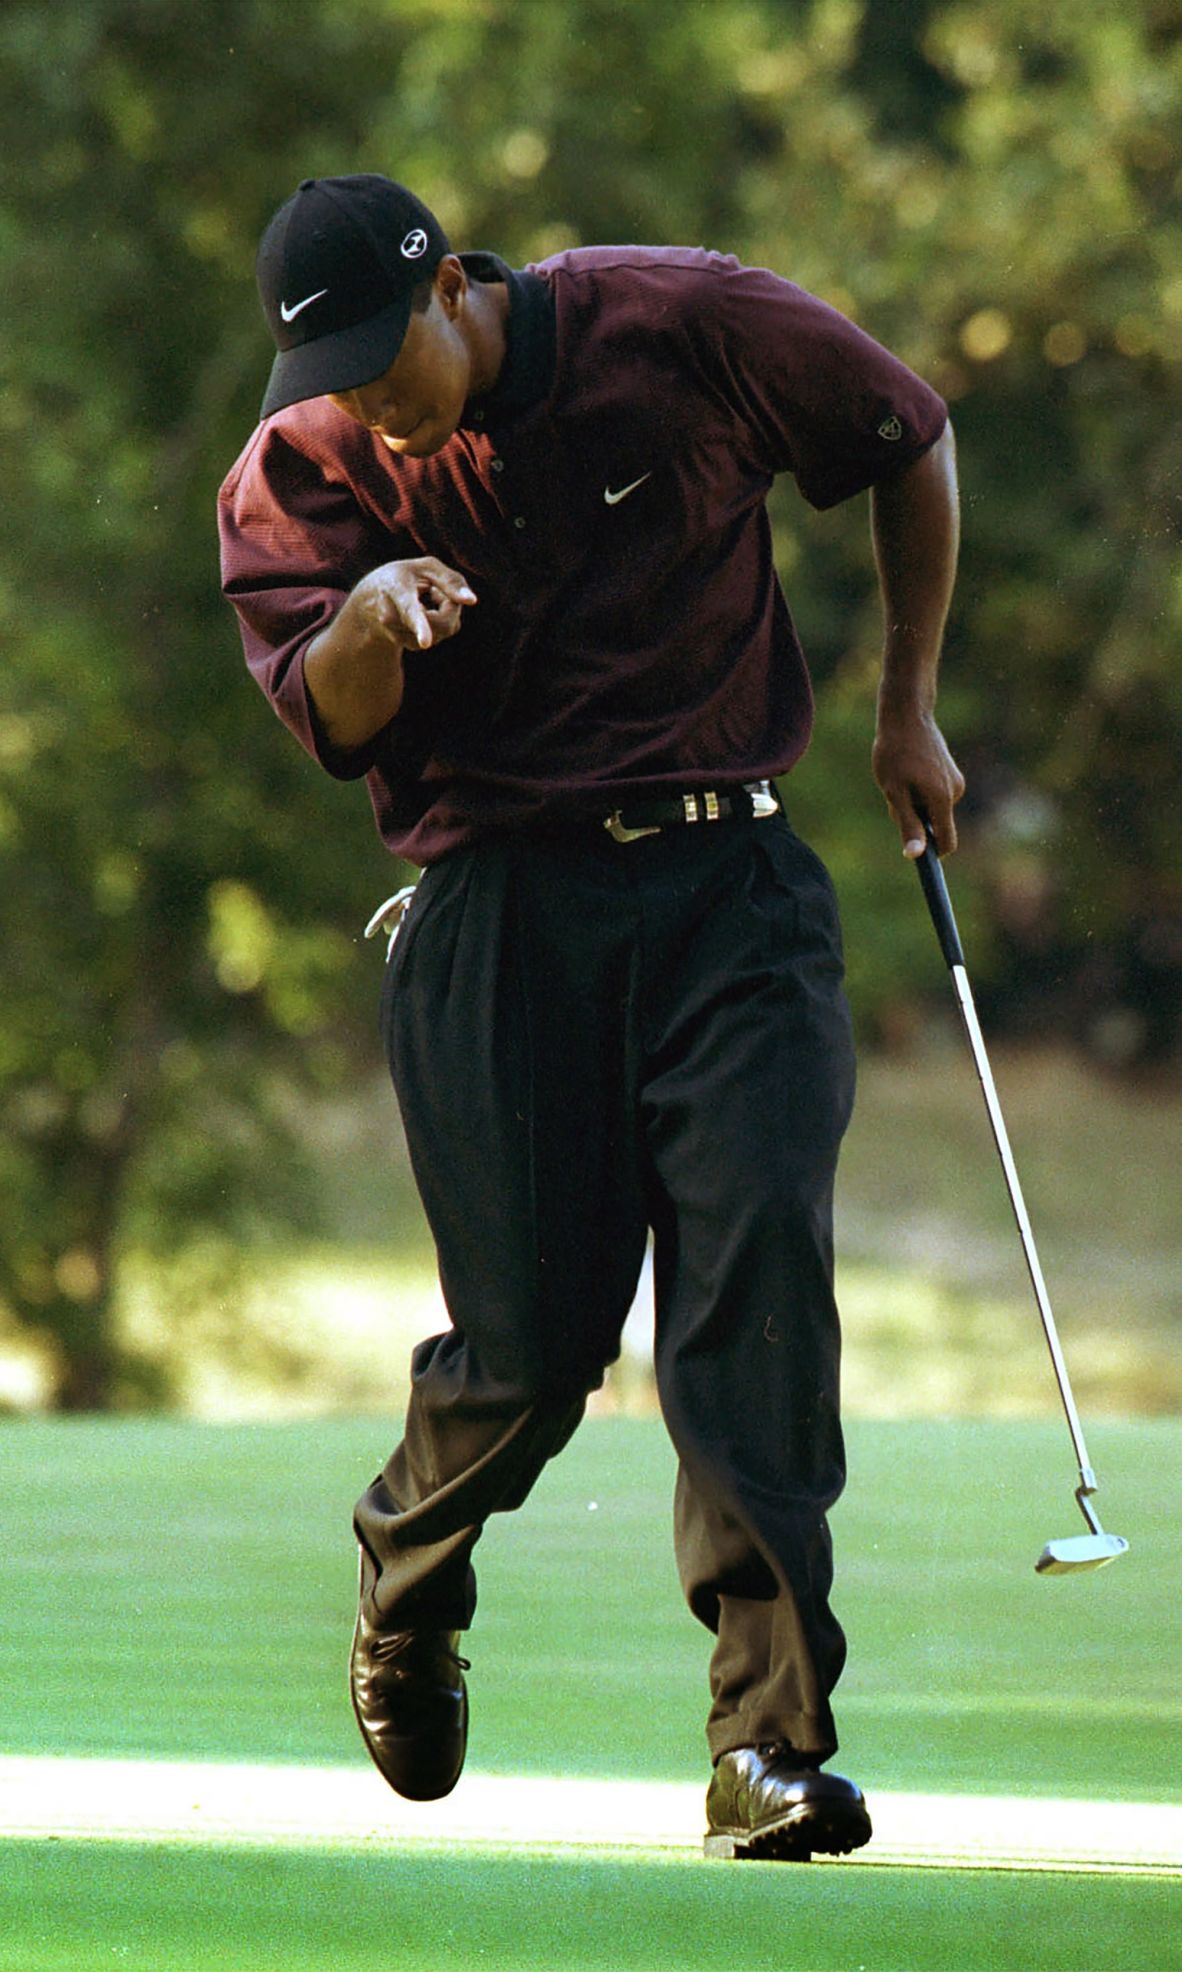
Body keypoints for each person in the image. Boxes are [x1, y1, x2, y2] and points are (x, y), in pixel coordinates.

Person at [218, 172, 963, 1862]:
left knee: (755, 1288)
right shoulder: (307, 462)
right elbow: (329, 718)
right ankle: (407, 1564)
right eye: (327, 372)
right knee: (534, 1352)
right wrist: (364, 619)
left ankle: (765, 1747)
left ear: (453, 288)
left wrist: (904, 708)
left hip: (730, 891)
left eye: (380, 357)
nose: (364, 399)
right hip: (497, 915)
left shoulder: (683, 323)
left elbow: (905, 433)